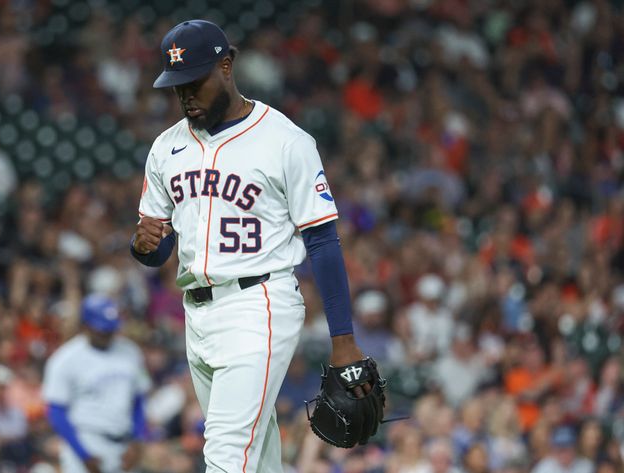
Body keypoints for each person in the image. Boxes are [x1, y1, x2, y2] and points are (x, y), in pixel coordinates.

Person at [132, 19, 379, 472]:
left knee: (225, 453)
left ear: (226, 66)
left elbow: (322, 240)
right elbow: (159, 248)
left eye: (194, 82)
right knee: (257, 454)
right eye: (176, 86)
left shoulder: (284, 141)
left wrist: (343, 340)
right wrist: (144, 245)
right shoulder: (166, 147)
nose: (185, 95)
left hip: (259, 305)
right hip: (197, 311)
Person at [42, 295, 150, 473]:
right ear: (85, 326)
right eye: (102, 329)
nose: (107, 334)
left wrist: (137, 440)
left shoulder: (130, 351)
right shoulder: (65, 358)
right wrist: (83, 455)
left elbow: (138, 400)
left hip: (124, 444)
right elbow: (56, 412)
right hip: (86, 440)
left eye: (110, 329)